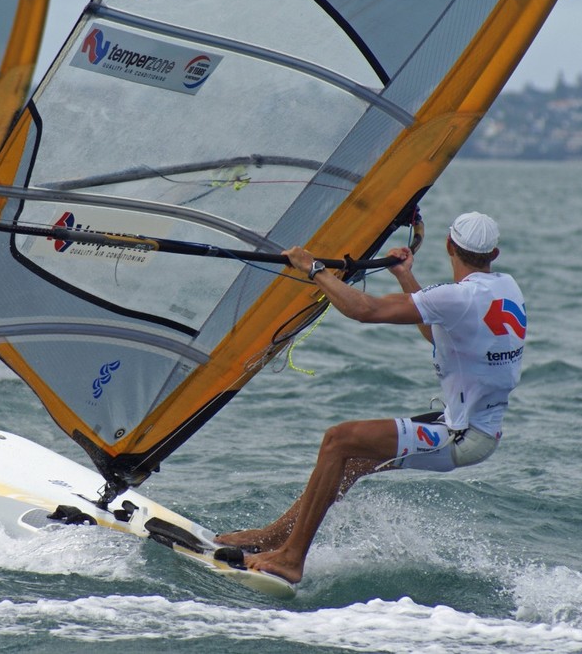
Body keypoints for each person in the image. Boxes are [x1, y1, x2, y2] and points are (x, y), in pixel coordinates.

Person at [216, 212, 526, 585]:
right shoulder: (505, 288)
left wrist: (314, 268)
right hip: (475, 429)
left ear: (448, 246)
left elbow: (364, 310)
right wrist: (405, 277)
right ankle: (277, 537)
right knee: (351, 462)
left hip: (460, 436)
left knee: (338, 440)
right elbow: (441, 334)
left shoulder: (457, 297)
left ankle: (291, 559)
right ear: (494, 253)